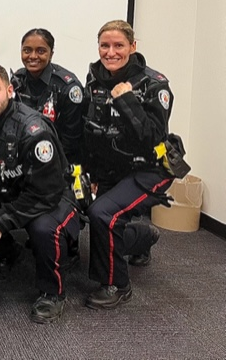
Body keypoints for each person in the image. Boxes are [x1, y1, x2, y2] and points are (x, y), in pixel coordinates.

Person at [0, 63, 80, 323]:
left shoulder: (34, 130)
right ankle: (8, 252)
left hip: (51, 195)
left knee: (44, 229)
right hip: (9, 191)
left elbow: (46, 191)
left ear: (9, 90)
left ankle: (52, 292)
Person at [81, 20, 174, 310]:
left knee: (103, 213)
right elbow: (92, 129)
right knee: (90, 211)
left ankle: (117, 285)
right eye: (104, 46)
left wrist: (127, 100)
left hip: (151, 168)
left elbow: (152, 138)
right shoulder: (94, 78)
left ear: (132, 47)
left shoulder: (155, 84)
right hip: (111, 167)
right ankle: (143, 237)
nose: (110, 52)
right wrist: (91, 174)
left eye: (118, 45)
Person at [9, 28, 86, 273]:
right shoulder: (16, 81)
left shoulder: (68, 88)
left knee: (50, 217)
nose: (33, 56)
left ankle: (69, 242)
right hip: (26, 163)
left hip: (61, 168)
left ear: (51, 52)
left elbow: (72, 142)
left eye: (40, 51)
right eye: (27, 50)